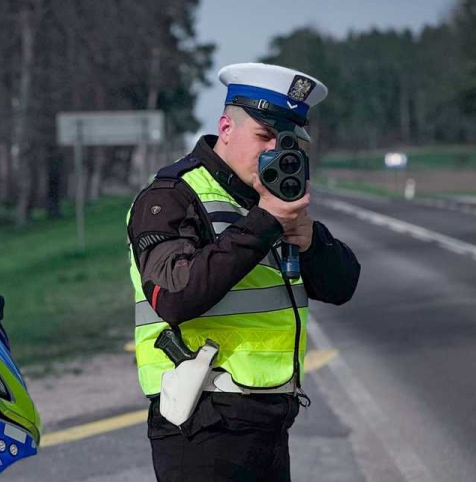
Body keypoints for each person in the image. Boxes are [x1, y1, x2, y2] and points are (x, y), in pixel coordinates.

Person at [126, 63, 361, 481]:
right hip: (202, 422)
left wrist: (309, 241)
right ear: (226, 128)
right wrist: (263, 223)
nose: (275, 151)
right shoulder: (171, 196)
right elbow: (175, 296)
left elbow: (343, 286)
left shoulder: (268, 201)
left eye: (289, 141)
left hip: (270, 421)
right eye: (264, 136)